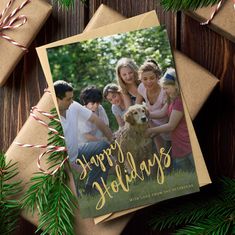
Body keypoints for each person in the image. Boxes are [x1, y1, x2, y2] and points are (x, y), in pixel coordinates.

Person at [54, 80, 113, 195]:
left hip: (78, 151)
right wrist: (77, 167)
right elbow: (56, 154)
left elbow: (96, 120)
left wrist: (112, 140)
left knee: (103, 147)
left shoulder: (74, 106)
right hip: (62, 161)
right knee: (75, 198)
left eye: (72, 98)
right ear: (57, 100)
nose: (72, 102)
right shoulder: (51, 119)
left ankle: (92, 188)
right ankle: (78, 191)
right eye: (68, 99)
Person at [146, 68, 195, 172]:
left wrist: (151, 131)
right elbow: (162, 113)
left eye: (166, 88)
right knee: (186, 176)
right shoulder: (171, 99)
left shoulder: (179, 101)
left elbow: (171, 125)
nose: (164, 91)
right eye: (163, 88)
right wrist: (146, 114)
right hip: (179, 144)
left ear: (176, 86)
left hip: (188, 143)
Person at [137, 60, 171, 151]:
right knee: (161, 151)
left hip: (168, 126)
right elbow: (137, 106)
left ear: (157, 77)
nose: (148, 82)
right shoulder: (141, 87)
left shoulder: (165, 91)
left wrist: (145, 114)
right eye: (145, 79)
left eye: (152, 78)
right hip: (152, 124)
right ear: (141, 79)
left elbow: (163, 113)